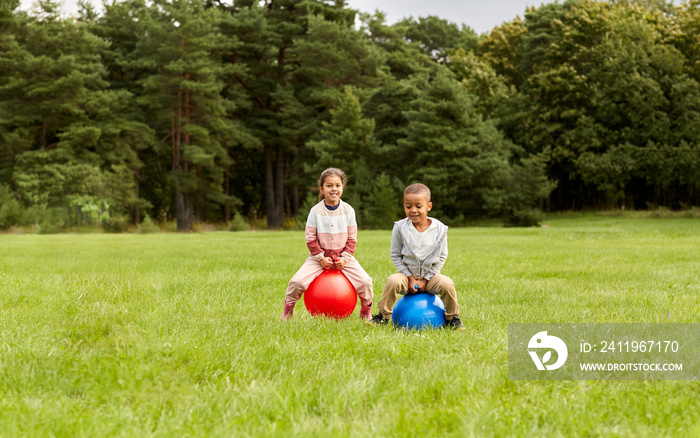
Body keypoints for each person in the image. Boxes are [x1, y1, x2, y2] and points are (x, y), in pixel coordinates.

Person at [368, 183, 465, 330]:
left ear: (429, 206)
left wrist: (426, 280)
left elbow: (442, 257)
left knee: (447, 283)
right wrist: (409, 277)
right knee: (392, 281)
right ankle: (383, 316)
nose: (413, 210)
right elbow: (395, 255)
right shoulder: (400, 227)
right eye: (408, 206)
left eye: (418, 206)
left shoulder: (440, 229)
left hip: (431, 278)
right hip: (407, 278)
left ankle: (452, 318)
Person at [282, 168, 374, 321]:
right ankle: (288, 309)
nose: (334, 189)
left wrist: (344, 258)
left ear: (342, 187)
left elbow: (352, 239)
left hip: (344, 258)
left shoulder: (349, 211)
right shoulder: (316, 211)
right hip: (318, 258)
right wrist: (320, 258)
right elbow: (310, 238)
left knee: (365, 282)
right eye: (329, 186)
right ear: (321, 189)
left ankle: (366, 311)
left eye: (337, 185)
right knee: (297, 281)